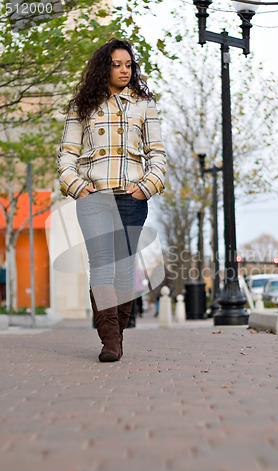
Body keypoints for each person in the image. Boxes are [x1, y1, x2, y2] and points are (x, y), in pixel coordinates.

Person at [57, 39, 166, 362]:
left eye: (128, 65)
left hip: (132, 196)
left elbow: (157, 154)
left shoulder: (144, 105)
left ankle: (115, 333)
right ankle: (110, 342)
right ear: (103, 67)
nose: (123, 70)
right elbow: (67, 155)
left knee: (123, 269)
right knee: (102, 265)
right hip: (94, 196)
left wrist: (147, 186)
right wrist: (77, 186)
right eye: (117, 64)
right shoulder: (82, 106)